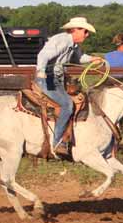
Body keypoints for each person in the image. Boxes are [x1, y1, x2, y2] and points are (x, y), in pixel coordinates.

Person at [35, 16, 101, 157]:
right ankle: (58, 142)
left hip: (57, 79)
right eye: (85, 31)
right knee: (67, 105)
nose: (87, 34)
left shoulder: (74, 45)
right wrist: (41, 71)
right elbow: (43, 55)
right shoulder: (63, 41)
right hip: (48, 79)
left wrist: (92, 59)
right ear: (75, 30)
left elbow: (79, 58)